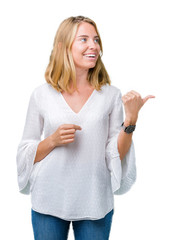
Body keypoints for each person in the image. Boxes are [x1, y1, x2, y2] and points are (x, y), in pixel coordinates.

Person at [16, 16, 153, 240]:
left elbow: (115, 154)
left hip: (94, 200)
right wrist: (52, 140)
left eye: (96, 39)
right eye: (84, 39)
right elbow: (25, 150)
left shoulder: (110, 95)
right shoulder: (42, 94)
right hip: (49, 199)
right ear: (63, 46)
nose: (94, 46)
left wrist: (131, 120)